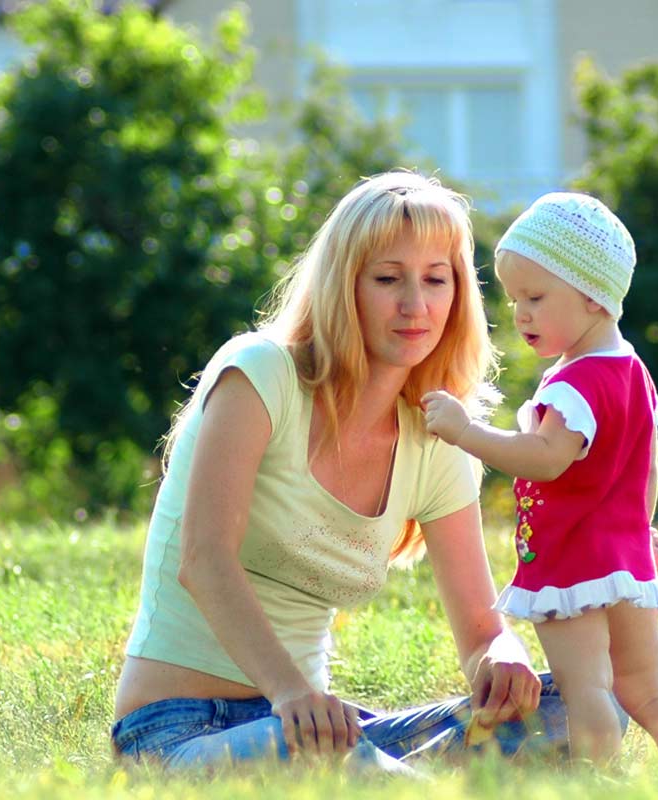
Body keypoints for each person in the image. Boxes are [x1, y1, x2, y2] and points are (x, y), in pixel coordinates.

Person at [111, 172, 592, 771]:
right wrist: (290, 695)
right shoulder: (260, 373)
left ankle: (394, 774)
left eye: (435, 279)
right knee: (340, 760)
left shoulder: (439, 435)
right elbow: (204, 561)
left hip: (324, 730)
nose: (415, 305)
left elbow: (479, 629)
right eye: (388, 279)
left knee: (582, 706)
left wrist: (503, 655)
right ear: (344, 286)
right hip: (179, 731)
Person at [421, 192, 658, 773]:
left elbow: (545, 458)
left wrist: (465, 430)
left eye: (535, 298)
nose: (520, 315)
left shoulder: (573, 385)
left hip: (573, 564)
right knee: (650, 691)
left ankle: (596, 780)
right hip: (624, 562)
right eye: (514, 300)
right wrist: (640, 531)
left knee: (587, 692)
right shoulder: (633, 371)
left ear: (592, 296)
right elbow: (647, 467)